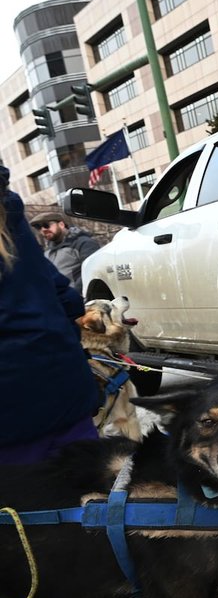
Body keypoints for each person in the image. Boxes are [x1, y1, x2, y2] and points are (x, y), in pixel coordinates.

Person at [0, 167, 99, 465]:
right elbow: (67, 297)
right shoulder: (12, 216)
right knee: (89, 499)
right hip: (66, 388)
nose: (43, 231)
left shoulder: (80, 244)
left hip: (11, 417)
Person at [30, 211, 101, 293]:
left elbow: (92, 271)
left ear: (61, 225)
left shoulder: (84, 243)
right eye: (39, 227)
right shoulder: (47, 251)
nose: (43, 230)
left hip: (80, 300)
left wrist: (74, 294)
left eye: (46, 225)